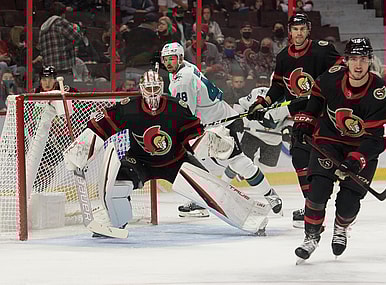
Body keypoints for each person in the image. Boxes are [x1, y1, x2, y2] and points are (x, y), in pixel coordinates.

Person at [63, 68, 269, 236]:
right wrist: (81, 148)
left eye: (155, 88)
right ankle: (115, 225)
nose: (152, 93)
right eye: (148, 88)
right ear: (141, 89)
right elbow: (101, 127)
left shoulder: (175, 107)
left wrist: (214, 142)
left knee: (212, 190)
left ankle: (251, 218)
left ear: (161, 88)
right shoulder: (129, 108)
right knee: (117, 188)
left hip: (176, 161)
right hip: (139, 162)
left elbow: (193, 135)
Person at [293, 37, 386, 261]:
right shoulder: (331, 78)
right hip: (329, 141)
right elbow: (317, 98)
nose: (358, 65)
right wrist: (305, 122)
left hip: (361, 149)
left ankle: (341, 227)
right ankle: (311, 237)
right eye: (354, 59)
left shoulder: (381, 93)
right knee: (317, 192)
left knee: (348, 204)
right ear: (346, 60)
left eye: (364, 59)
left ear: (370, 61)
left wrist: (357, 159)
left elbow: (377, 139)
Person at [161, 42, 283, 217]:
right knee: (195, 162)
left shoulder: (182, 80)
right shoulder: (185, 67)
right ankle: (202, 201)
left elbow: (186, 114)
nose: (168, 63)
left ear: (180, 58)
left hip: (220, 126)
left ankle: (270, 195)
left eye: (172, 59)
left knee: (238, 163)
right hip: (216, 123)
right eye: (165, 59)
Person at [247, 13, 341, 228]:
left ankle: (323, 200)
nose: (298, 33)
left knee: (324, 158)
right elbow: (279, 87)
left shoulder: (323, 49)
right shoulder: (283, 57)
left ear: (308, 30)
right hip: (300, 116)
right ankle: (312, 205)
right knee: (300, 159)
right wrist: (263, 102)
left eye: (302, 29)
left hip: (323, 114)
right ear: (290, 32)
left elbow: (340, 71)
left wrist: (322, 87)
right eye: (295, 29)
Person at [233, 74, 292, 168]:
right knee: (241, 162)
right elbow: (239, 104)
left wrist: (288, 129)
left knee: (268, 167)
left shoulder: (291, 101)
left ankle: (255, 172)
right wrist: (238, 119)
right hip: (252, 133)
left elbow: (291, 119)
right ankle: (226, 180)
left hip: (273, 140)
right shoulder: (258, 92)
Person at [38, 2, 83, 84]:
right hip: (63, 67)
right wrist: (76, 29)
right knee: (65, 93)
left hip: (48, 68)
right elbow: (77, 38)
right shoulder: (61, 22)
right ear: (63, 13)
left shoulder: (43, 27)